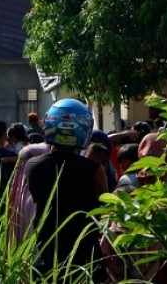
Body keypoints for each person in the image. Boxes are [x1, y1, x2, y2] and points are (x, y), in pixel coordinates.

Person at [25, 99, 108, 282]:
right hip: (85, 256)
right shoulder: (93, 169)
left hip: (46, 254)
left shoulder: (32, 165)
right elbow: (103, 209)